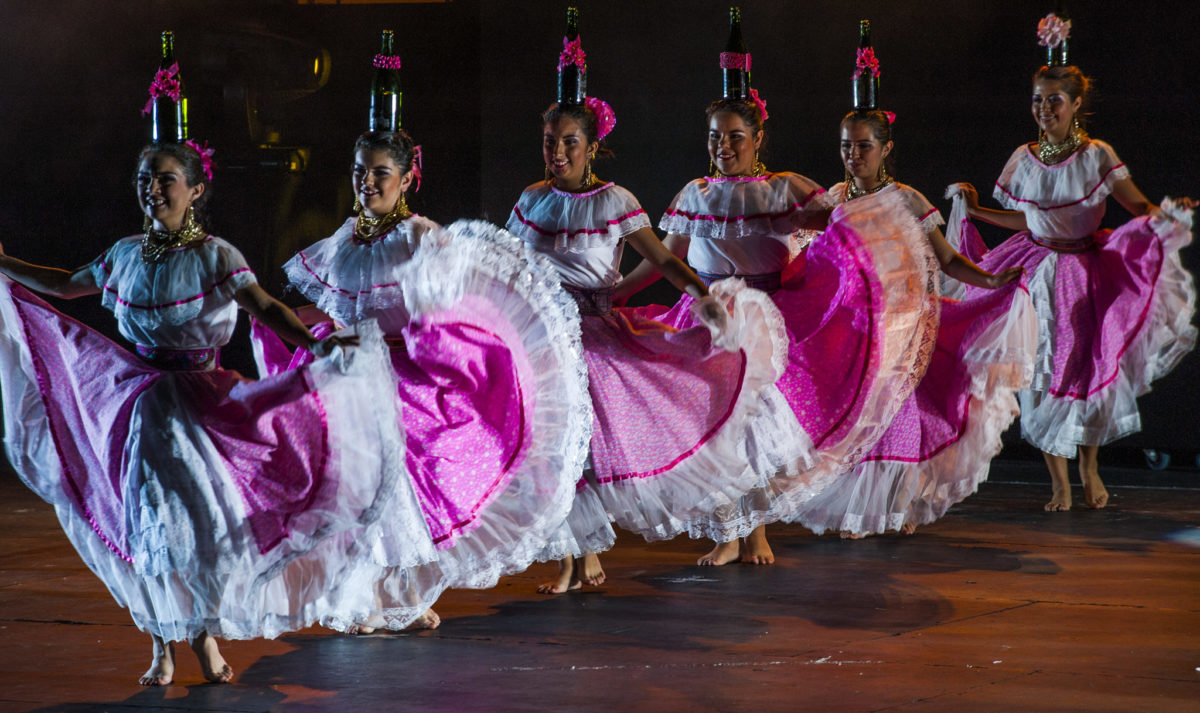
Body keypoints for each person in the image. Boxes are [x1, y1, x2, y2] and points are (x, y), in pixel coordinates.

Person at [0, 136, 425, 685]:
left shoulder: (215, 256)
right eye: (145, 180)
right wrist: (6, 263)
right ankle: (162, 647)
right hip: (142, 407)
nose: (152, 190)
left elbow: (266, 307)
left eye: (165, 180)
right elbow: (63, 284)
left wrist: (314, 345)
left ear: (195, 190)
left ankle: (203, 637)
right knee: (147, 528)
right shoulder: (125, 254)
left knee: (200, 527)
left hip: (204, 404)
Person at [251, 38, 590, 629]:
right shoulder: (344, 239)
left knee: (392, 491)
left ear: (407, 179)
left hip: (396, 378)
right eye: (360, 173)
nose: (367, 184)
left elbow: (450, 301)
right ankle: (364, 595)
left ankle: (399, 595)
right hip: (345, 374)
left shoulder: (420, 236)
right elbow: (329, 304)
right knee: (347, 489)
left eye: (381, 174)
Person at [618, 13, 940, 564]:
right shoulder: (693, 193)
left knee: (758, 429)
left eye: (736, 137)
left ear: (758, 137)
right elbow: (665, 258)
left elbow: (843, 228)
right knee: (713, 425)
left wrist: (883, 262)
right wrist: (616, 291)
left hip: (770, 320)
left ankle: (758, 529)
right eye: (716, 137)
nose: (724, 147)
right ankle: (727, 532)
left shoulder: (784, 189)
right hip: (707, 320)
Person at [506, 12, 791, 593]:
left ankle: (589, 556)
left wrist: (702, 298)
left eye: (569, 143)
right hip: (541, 335)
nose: (557, 153)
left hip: (592, 332)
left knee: (586, 443)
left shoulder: (615, 201)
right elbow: (505, 262)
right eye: (549, 142)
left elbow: (663, 259)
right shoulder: (531, 200)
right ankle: (574, 559)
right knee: (553, 444)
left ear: (592, 147)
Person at [949, 12, 1196, 511]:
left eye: (1054, 101)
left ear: (1076, 103)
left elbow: (1139, 208)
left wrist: (1168, 214)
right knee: (1040, 371)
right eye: (1037, 101)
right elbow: (1031, 222)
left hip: (1085, 271)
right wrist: (975, 209)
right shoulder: (1023, 158)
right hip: (1035, 270)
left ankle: (1089, 466)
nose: (1044, 110)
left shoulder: (1096, 157)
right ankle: (1058, 481)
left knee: (1085, 368)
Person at [790, 94, 1033, 537]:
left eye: (864, 146)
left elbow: (947, 260)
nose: (853, 155)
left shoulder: (907, 199)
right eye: (846, 145)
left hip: (903, 325)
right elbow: (815, 259)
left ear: (886, 148)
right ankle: (858, 509)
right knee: (856, 414)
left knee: (896, 414)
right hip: (853, 329)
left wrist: (991, 282)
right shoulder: (835, 200)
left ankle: (896, 503)